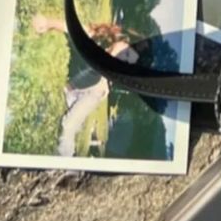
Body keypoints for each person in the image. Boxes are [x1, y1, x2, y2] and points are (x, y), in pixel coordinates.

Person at [31, 14, 140, 156]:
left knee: (68, 126)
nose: (122, 59)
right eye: (126, 54)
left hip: (93, 92)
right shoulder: (97, 37)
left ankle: (65, 163)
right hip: (79, 88)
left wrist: (106, 83)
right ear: (121, 40)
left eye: (126, 62)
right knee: (68, 112)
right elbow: (71, 28)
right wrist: (48, 23)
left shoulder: (108, 72)